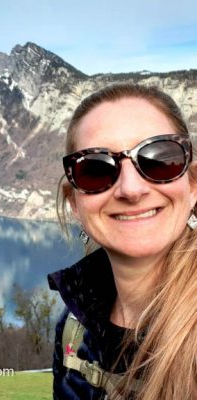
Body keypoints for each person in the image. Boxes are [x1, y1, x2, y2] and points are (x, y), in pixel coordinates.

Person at [48, 83, 197, 399]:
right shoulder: (74, 328)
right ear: (74, 202)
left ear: (192, 183)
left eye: (160, 160)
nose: (131, 189)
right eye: (95, 169)